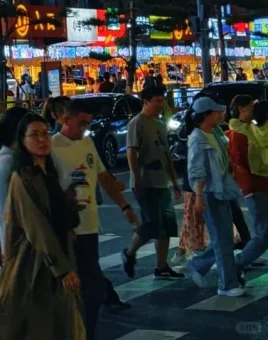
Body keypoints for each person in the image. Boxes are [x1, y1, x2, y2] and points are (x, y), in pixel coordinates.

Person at [0, 114, 83, 340]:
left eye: (45, 133)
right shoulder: (16, 173)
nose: (42, 139)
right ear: (21, 140)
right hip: (32, 261)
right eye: (34, 135)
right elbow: (31, 223)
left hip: (50, 258)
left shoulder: (48, 173)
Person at [51, 100, 139, 338]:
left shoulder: (87, 142)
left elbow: (102, 175)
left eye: (88, 124)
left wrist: (124, 205)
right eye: (81, 123)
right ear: (64, 119)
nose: (84, 129)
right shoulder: (51, 148)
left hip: (88, 226)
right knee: (88, 287)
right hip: (68, 231)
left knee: (90, 286)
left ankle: (84, 331)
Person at [186, 96, 249, 296]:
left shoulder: (215, 132)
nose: (221, 114)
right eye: (217, 112)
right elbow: (197, 170)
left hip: (224, 190)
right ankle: (227, 284)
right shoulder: (197, 138)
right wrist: (199, 197)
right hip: (211, 193)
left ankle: (199, 265)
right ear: (207, 115)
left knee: (223, 239)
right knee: (222, 240)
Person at [122, 85, 184, 280]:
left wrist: (174, 181)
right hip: (145, 181)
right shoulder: (137, 123)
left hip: (161, 181)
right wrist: (136, 176)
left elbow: (166, 154)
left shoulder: (158, 124)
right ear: (146, 102)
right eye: (156, 100)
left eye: (162, 100)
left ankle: (161, 266)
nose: (160, 104)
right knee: (152, 225)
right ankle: (130, 252)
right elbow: (131, 151)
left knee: (166, 226)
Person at [228, 94, 268, 267]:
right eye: (251, 105)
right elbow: (240, 162)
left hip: (260, 184)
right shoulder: (239, 133)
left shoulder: (251, 129)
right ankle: (237, 263)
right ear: (241, 108)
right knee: (263, 233)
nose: (254, 108)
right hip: (254, 186)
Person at [0, 106, 28, 262]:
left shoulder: (17, 158)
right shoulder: (5, 163)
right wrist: (6, 247)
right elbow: (2, 208)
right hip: (12, 243)